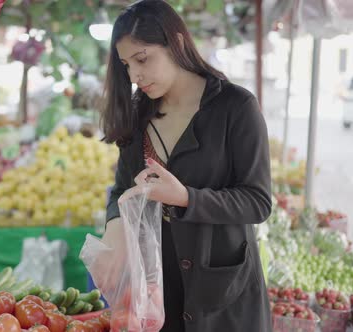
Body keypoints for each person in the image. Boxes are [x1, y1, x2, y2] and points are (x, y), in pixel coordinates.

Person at [100, 1, 272, 331]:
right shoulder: (138, 117)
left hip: (223, 294)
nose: (135, 75)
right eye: (126, 65)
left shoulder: (236, 108)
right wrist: (114, 224)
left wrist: (187, 198)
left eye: (142, 58)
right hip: (159, 290)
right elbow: (122, 189)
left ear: (176, 43)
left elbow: (258, 201)